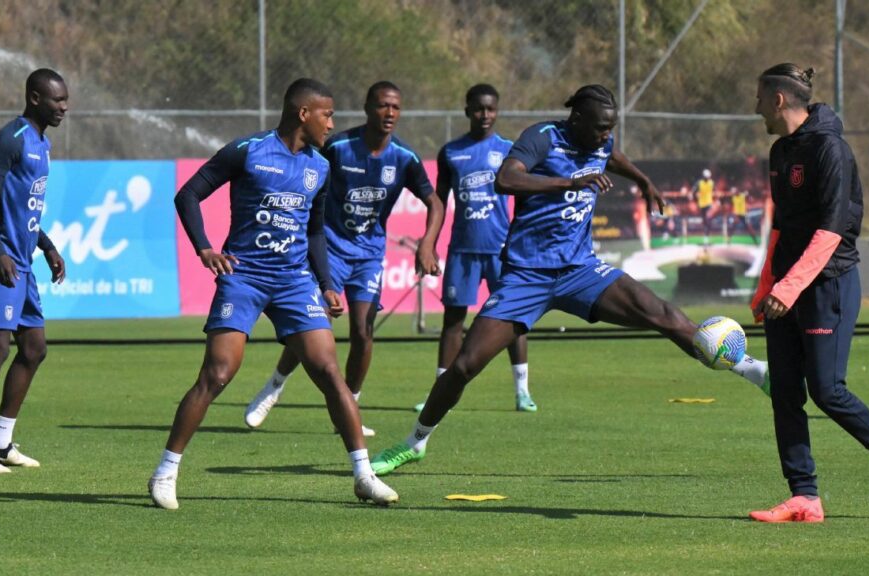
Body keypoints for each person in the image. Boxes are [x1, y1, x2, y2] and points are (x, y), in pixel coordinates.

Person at [370, 85, 771, 476]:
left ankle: (755, 370)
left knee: (663, 314)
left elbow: (612, 155)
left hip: (581, 271)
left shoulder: (599, 142)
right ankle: (415, 442)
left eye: (609, 128)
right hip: (528, 275)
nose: (604, 136)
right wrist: (568, 182)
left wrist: (643, 180)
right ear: (576, 119)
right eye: (598, 128)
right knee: (465, 366)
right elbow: (506, 180)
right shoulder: (542, 138)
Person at [148, 78, 398, 510]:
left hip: (293, 281)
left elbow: (315, 230)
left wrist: (327, 284)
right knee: (218, 373)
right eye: (328, 114)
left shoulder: (320, 167)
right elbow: (188, 194)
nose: (332, 123)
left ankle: (363, 474)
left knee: (328, 372)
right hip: (244, 277)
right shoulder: (247, 151)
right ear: (304, 113)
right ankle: (165, 471)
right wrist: (204, 248)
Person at [748, 64, 869, 522]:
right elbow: (781, 227)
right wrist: (767, 286)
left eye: (760, 97)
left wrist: (790, 285)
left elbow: (832, 230)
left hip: (828, 284)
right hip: (787, 288)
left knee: (827, 390)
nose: (755, 106)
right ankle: (805, 496)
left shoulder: (831, 150)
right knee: (784, 391)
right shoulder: (780, 150)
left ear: (779, 100)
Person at [243, 81, 445, 436]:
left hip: (368, 256)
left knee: (363, 333)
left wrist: (427, 244)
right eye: (383, 105)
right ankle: (275, 385)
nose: (390, 113)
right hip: (330, 249)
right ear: (368, 108)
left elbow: (435, 202)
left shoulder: (404, 157)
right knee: (312, 323)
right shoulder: (339, 147)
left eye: (396, 107)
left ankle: (348, 408)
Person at [0, 68, 69, 473]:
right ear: (35, 98)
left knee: (35, 348)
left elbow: (23, 208)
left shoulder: (44, 143)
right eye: (57, 100)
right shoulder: (13, 138)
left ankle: (1, 443)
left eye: (66, 99)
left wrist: (49, 246)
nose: (65, 107)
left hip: (24, 260)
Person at [415, 83, 536, 414]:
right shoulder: (452, 152)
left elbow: (525, 200)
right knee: (453, 321)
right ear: (467, 110)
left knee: (513, 319)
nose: (485, 115)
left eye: (491, 109)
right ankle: (438, 392)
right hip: (462, 252)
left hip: (502, 253)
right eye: (479, 108)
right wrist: (430, 245)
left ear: (497, 111)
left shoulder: (510, 151)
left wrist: (522, 242)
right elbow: (438, 202)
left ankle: (522, 392)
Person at [691, 168, 715, 240]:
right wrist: (696, 198)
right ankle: (705, 235)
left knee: (708, 218)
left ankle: (707, 235)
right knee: (704, 220)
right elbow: (693, 191)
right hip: (701, 204)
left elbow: (714, 190)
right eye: (706, 177)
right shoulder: (699, 183)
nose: (707, 178)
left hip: (709, 203)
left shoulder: (711, 183)